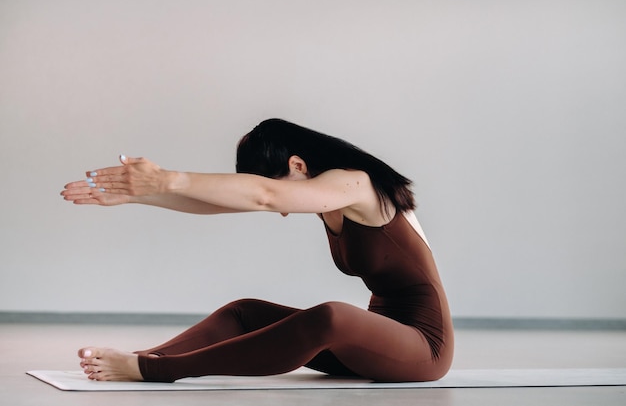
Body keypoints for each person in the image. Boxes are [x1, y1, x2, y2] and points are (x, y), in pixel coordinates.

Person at [60, 118, 454, 383]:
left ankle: (154, 370)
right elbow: (225, 202)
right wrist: (140, 195)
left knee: (333, 315)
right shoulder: (329, 198)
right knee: (244, 311)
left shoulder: (357, 185)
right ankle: (149, 356)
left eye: (282, 187)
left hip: (423, 349)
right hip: (370, 347)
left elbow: (264, 196)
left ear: (298, 165)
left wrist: (166, 178)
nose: (284, 208)